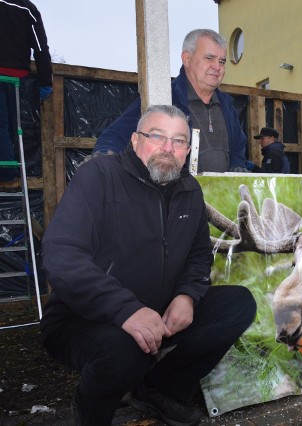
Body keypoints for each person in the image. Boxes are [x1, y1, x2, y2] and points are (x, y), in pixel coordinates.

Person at [40, 105, 256, 426]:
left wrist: (187, 296)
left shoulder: (189, 191)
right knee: (125, 352)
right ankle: (90, 413)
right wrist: (126, 310)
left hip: (159, 313)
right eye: (157, 136)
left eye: (179, 140)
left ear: (187, 150)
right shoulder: (99, 176)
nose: (168, 148)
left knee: (239, 304)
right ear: (135, 140)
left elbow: (199, 257)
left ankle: (159, 390)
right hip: (82, 318)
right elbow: (61, 255)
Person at [93, 29, 248, 173]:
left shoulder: (227, 105)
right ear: (187, 59)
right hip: (179, 198)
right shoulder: (166, 97)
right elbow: (116, 134)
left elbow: (239, 146)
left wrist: (237, 167)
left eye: (222, 61)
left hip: (221, 198)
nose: (217, 67)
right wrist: (103, 160)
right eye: (209, 58)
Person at [0, 0, 52, 184]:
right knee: (16, 127)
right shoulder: (28, 8)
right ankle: (10, 170)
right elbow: (40, 47)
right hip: (18, 79)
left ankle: (5, 172)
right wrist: (45, 80)